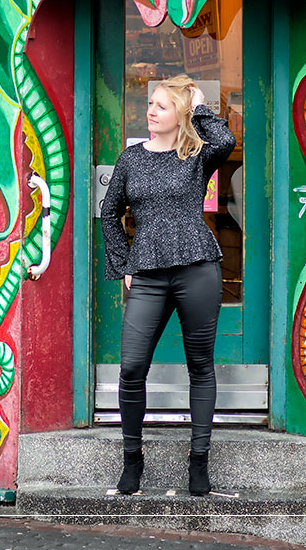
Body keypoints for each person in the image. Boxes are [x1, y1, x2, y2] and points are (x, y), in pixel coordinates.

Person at [99, 75, 235, 497]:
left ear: (179, 115)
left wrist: (199, 105)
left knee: (200, 366)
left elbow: (226, 140)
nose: (151, 111)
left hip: (198, 268)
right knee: (131, 367)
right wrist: (122, 263)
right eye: (151, 104)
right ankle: (132, 460)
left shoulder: (196, 154)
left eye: (161, 105)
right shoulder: (131, 159)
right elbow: (109, 213)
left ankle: (199, 462)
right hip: (149, 275)